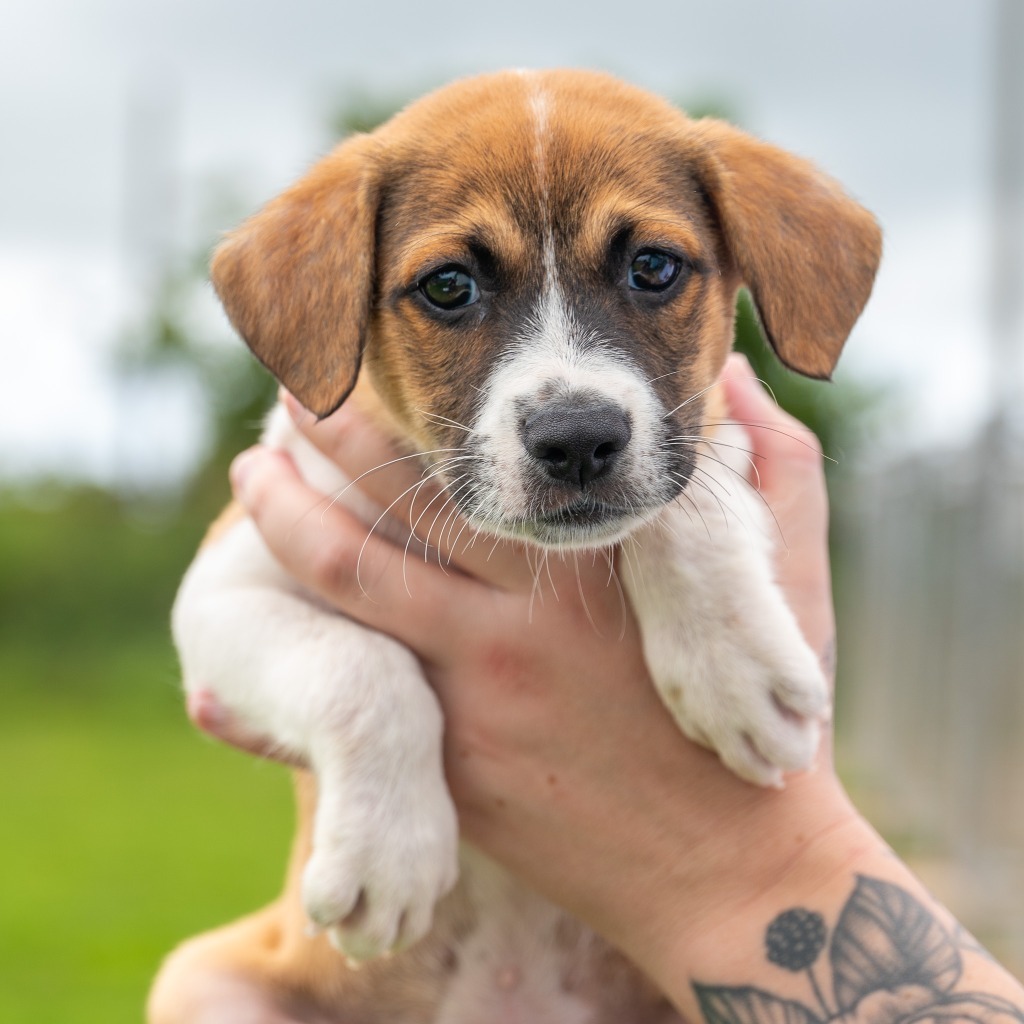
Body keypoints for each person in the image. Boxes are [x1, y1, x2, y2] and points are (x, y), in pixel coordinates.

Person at [196, 354, 1024, 1021]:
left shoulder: (712, 470)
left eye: (651, 272)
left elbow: (721, 474)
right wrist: (371, 715)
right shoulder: (318, 461)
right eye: (450, 287)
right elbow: (220, 616)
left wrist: (688, 545)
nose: (573, 393)